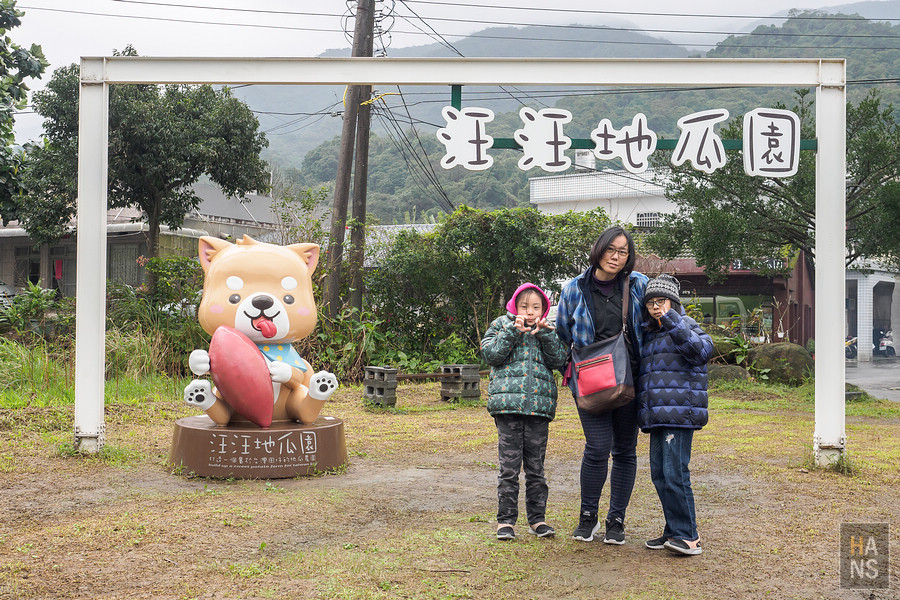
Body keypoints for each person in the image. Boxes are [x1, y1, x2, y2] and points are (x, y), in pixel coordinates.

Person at [555, 226, 648, 543]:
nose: (616, 257)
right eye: (611, 249)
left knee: (625, 451)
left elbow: (660, 317)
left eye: (623, 252)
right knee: (596, 448)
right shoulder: (574, 289)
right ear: (599, 249)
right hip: (591, 382)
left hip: (630, 381)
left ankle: (616, 520)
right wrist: (570, 374)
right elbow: (561, 337)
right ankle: (588, 517)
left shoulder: (638, 285)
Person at [481, 283, 567, 541]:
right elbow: (490, 355)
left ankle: (538, 520)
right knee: (509, 469)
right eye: (524, 306)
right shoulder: (501, 325)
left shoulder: (549, 330)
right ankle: (505, 522)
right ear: (514, 307)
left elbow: (560, 360)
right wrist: (511, 331)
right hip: (508, 408)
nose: (530, 312)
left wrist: (546, 335)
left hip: (539, 409)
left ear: (544, 309)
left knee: (536, 469)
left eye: (536, 307)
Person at [637, 274, 713, 556]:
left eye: (662, 301)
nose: (656, 307)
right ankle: (673, 530)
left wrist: (672, 321)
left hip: (680, 414)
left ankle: (689, 536)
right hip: (656, 415)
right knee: (659, 475)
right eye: (651, 303)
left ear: (674, 303)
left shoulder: (687, 324)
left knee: (675, 473)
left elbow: (700, 352)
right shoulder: (649, 334)